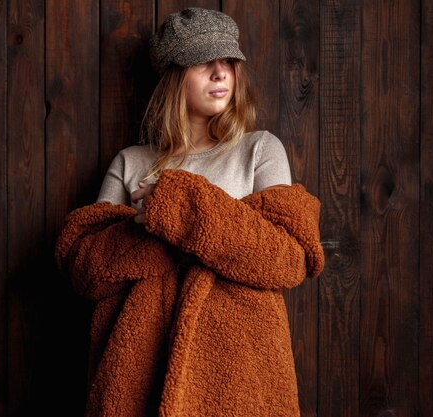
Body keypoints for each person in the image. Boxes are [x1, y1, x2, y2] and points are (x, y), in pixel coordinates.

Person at [55, 7, 324, 417]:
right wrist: (162, 231)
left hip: (239, 378)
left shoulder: (260, 150)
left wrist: (178, 207)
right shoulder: (129, 162)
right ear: (173, 76)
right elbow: (86, 269)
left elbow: (286, 259)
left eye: (229, 62)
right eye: (203, 62)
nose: (221, 74)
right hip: (139, 379)